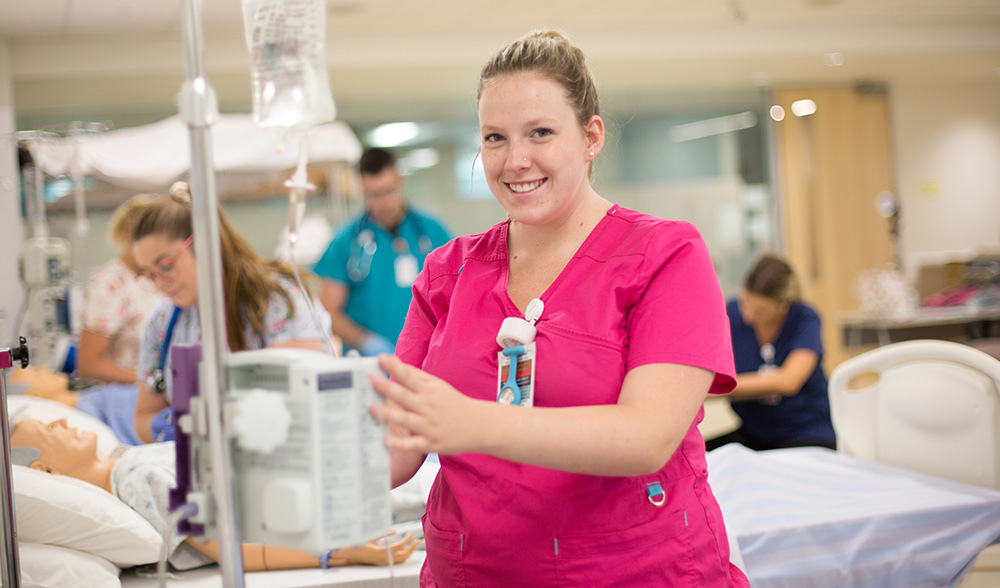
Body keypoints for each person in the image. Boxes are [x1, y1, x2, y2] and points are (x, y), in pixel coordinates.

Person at [368, 30, 749, 587]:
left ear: (591, 136)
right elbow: (398, 448)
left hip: (637, 572)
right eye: (495, 138)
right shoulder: (447, 273)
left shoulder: (665, 255)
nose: (515, 160)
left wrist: (470, 422)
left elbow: (647, 437)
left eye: (540, 133)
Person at [9, 418, 419, 572]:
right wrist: (338, 553)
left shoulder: (130, 461)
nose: (62, 421)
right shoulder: (136, 481)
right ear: (46, 471)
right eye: (49, 431)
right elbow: (232, 552)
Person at [131, 189, 331, 443]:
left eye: (166, 266)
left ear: (203, 242)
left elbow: (302, 392)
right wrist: (166, 429)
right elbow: (144, 414)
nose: (159, 282)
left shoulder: (276, 301)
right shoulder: (162, 323)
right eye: (148, 273)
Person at [312, 148, 452, 356]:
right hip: (369, 366)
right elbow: (328, 312)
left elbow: (455, 295)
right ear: (362, 188)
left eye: (388, 191)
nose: (383, 202)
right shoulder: (346, 242)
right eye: (374, 195)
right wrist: (365, 340)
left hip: (426, 358)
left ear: (400, 180)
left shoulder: (432, 233)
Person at [705, 252, 837, 451]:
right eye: (745, 303)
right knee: (700, 460)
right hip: (755, 433)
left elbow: (788, 381)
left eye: (759, 310)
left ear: (782, 306)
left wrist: (717, 388)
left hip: (805, 432)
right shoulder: (731, 314)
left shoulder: (804, 319)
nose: (748, 316)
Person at [78, 194, 165, 384]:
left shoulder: (157, 277)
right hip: (128, 397)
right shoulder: (110, 284)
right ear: (129, 235)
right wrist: (145, 382)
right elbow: (88, 363)